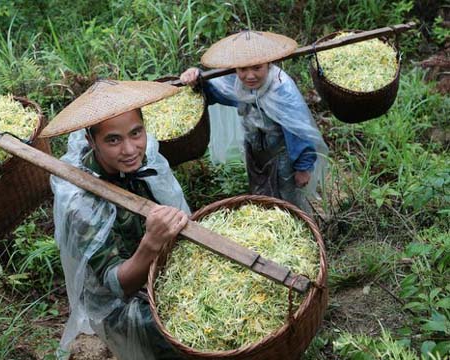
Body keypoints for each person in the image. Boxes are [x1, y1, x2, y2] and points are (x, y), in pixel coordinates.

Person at [47, 80, 190, 359]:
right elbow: (117, 285)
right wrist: (151, 243)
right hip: (122, 305)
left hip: (161, 272)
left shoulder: (144, 158)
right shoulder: (82, 202)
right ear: (91, 141)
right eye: (113, 140)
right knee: (181, 334)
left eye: (136, 133)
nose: (129, 149)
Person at [180, 30, 328, 214]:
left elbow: (297, 129)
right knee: (261, 194)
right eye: (243, 69)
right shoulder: (236, 83)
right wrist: (195, 77)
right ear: (236, 68)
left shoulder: (282, 89)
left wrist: (303, 167)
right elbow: (212, 90)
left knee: (288, 197)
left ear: (269, 64)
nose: (250, 76)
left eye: (257, 68)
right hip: (255, 149)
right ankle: (268, 223)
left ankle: (301, 227)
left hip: (283, 153)